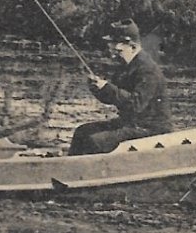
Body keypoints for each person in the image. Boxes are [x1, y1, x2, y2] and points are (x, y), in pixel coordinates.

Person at [68, 19, 172, 155]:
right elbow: (113, 98)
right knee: (82, 131)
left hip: (150, 128)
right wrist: (98, 89)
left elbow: (135, 104)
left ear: (133, 47)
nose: (113, 54)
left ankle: (87, 172)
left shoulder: (147, 70)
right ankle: (68, 167)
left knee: (95, 141)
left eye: (118, 51)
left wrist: (107, 88)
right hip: (130, 123)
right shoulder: (125, 66)